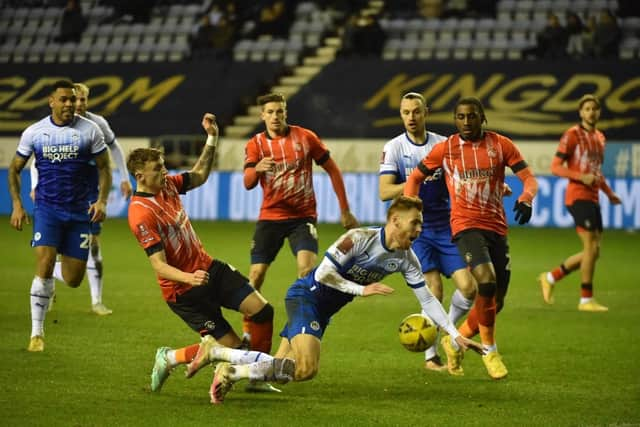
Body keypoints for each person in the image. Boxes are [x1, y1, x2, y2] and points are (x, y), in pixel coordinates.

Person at [187, 196, 484, 397]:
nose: (419, 229)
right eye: (414, 223)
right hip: (307, 297)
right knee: (306, 369)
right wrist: (361, 289)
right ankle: (231, 372)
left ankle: (217, 353)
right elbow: (323, 274)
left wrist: (454, 334)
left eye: (420, 223)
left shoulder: (407, 259)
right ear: (394, 220)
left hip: (322, 311)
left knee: (278, 367)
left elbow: (428, 301)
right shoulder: (358, 238)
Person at [126, 114, 293, 402]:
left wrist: (212, 138)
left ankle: (258, 377)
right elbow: (158, 265)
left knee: (262, 311)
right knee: (234, 347)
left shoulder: (167, 186)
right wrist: (189, 277)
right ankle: (170, 357)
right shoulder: (140, 213)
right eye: (158, 169)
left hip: (209, 268)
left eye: (164, 167)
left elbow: (200, 175)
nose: (165, 172)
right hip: (184, 292)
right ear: (140, 175)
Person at [403, 97, 538, 380]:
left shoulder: (501, 145)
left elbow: (529, 179)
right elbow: (415, 178)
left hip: (497, 227)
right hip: (464, 225)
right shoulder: (447, 148)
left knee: (494, 301)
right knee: (485, 281)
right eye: (460, 117)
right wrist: (412, 207)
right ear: (455, 120)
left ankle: (454, 341)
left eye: (472, 116)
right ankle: (490, 349)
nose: (466, 122)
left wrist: (526, 198)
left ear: (483, 118)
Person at [242, 92, 359, 347]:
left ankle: (298, 326)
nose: (275, 116)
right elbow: (248, 183)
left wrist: (345, 209)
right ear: (262, 115)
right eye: (270, 112)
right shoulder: (256, 144)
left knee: (307, 271)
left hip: (302, 218)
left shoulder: (305, 137)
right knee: (256, 275)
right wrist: (256, 169)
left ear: (286, 112)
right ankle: (249, 330)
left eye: (279, 111)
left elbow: (333, 169)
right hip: (270, 217)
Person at [8, 79, 112, 352]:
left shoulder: (90, 130)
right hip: (47, 210)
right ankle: (36, 334)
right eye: (64, 99)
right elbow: (14, 168)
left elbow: (105, 167)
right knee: (42, 265)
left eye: (73, 99)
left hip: (79, 213)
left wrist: (101, 201)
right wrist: (17, 204)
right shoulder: (34, 132)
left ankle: (53, 267)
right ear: (51, 101)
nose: (70, 104)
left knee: (75, 279)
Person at [378, 92, 477, 373]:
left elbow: (459, 178)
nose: (411, 117)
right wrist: (417, 177)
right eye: (406, 112)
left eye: (416, 112)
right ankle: (431, 356)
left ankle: (447, 332)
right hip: (415, 229)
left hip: (446, 225)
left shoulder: (443, 144)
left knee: (469, 288)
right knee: (434, 288)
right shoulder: (394, 147)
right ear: (401, 115)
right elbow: (384, 192)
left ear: (426, 113)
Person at [30, 82, 132, 316]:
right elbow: (39, 157)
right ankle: (48, 275)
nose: (78, 104)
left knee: (93, 246)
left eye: (82, 100)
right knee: (53, 250)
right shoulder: (50, 129)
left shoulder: (96, 124)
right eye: (75, 100)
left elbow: (114, 148)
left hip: (89, 193)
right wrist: (36, 184)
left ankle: (96, 301)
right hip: (59, 195)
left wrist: (124, 178)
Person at [537, 94, 621, 312]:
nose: (591, 112)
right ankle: (586, 299)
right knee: (590, 247)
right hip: (577, 196)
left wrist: (609, 193)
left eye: (595, 108)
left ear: (599, 112)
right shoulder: (572, 135)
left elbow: (596, 172)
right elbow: (556, 167)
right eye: (587, 109)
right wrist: (579, 176)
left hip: (593, 197)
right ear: (580, 112)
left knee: (594, 251)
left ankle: (550, 277)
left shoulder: (600, 138)